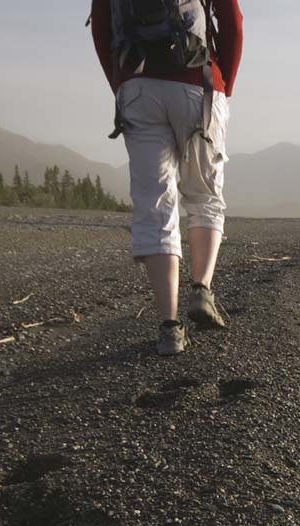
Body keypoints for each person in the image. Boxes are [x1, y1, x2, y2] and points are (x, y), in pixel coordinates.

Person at [90, 0, 244, 355]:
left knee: (155, 202)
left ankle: (169, 327)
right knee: (203, 195)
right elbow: (232, 21)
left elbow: (101, 27)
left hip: (137, 85)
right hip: (198, 80)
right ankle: (202, 289)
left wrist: (121, 82)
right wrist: (225, 84)